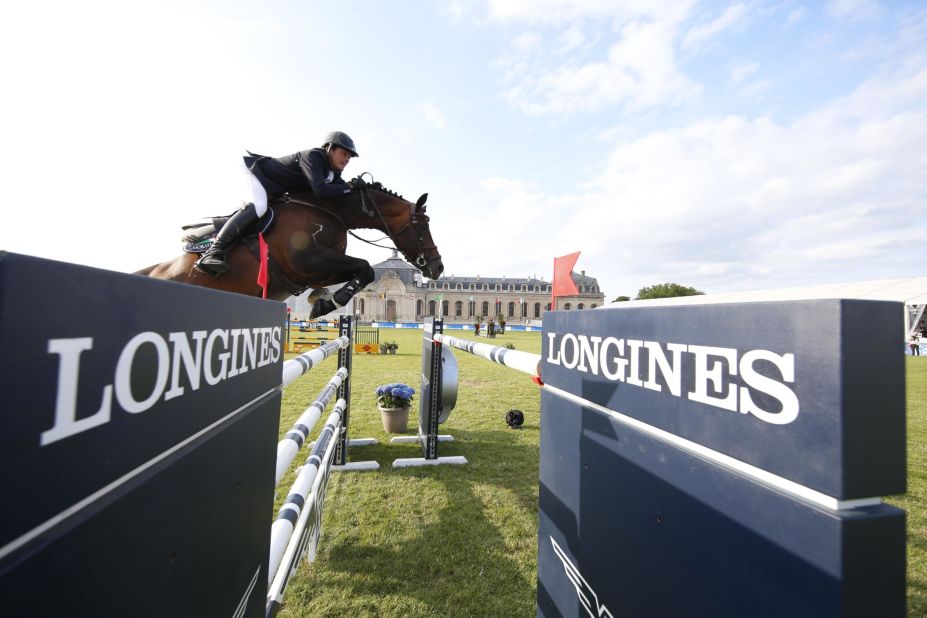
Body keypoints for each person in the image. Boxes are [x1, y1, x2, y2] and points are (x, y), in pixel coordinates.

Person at [195, 131, 361, 277]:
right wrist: (349, 187)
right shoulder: (314, 156)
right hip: (256, 173)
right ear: (330, 148)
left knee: (268, 212)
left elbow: (339, 192)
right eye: (344, 153)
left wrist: (355, 189)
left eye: (349, 157)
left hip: (273, 188)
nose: (347, 159)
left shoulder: (333, 173)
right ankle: (213, 251)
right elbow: (321, 191)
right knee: (260, 207)